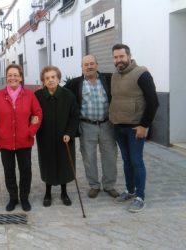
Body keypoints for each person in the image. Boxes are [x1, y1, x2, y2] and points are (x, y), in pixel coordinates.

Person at [110, 44, 159, 212]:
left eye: (121, 57)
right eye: (115, 57)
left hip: (135, 128)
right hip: (119, 127)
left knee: (137, 162)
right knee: (126, 161)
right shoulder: (115, 76)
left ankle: (140, 196)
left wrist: (144, 125)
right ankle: (130, 190)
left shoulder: (142, 74)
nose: (118, 60)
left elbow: (153, 102)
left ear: (129, 56)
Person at [0, 64, 42, 212]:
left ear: (21, 77)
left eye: (16, 75)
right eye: (10, 75)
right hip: (5, 142)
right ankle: (13, 198)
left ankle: (24, 198)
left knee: (26, 170)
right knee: (9, 171)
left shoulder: (29, 95)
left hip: (24, 141)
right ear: (6, 78)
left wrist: (30, 131)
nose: (13, 77)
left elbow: (37, 114)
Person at [65, 55, 119, 199]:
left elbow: (125, 77)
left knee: (110, 156)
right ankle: (94, 185)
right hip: (86, 125)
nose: (89, 67)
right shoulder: (74, 83)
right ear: (81, 67)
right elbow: (61, 94)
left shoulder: (108, 79)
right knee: (89, 157)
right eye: (86, 64)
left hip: (107, 124)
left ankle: (109, 185)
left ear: (97, 65)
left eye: (92, 64)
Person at [35, 66, 79, 207]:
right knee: (48, 165)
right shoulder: (38, 96)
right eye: (47, 78)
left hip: (64, 138)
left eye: (53, 77)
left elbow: (74, 117)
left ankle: (64, 192)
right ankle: (47, 193)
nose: (51, 80)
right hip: (45, 138)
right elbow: (32, 113)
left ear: (58, 78)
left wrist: (69, 133)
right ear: (43, 80)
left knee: (64, 164)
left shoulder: (68, 95)